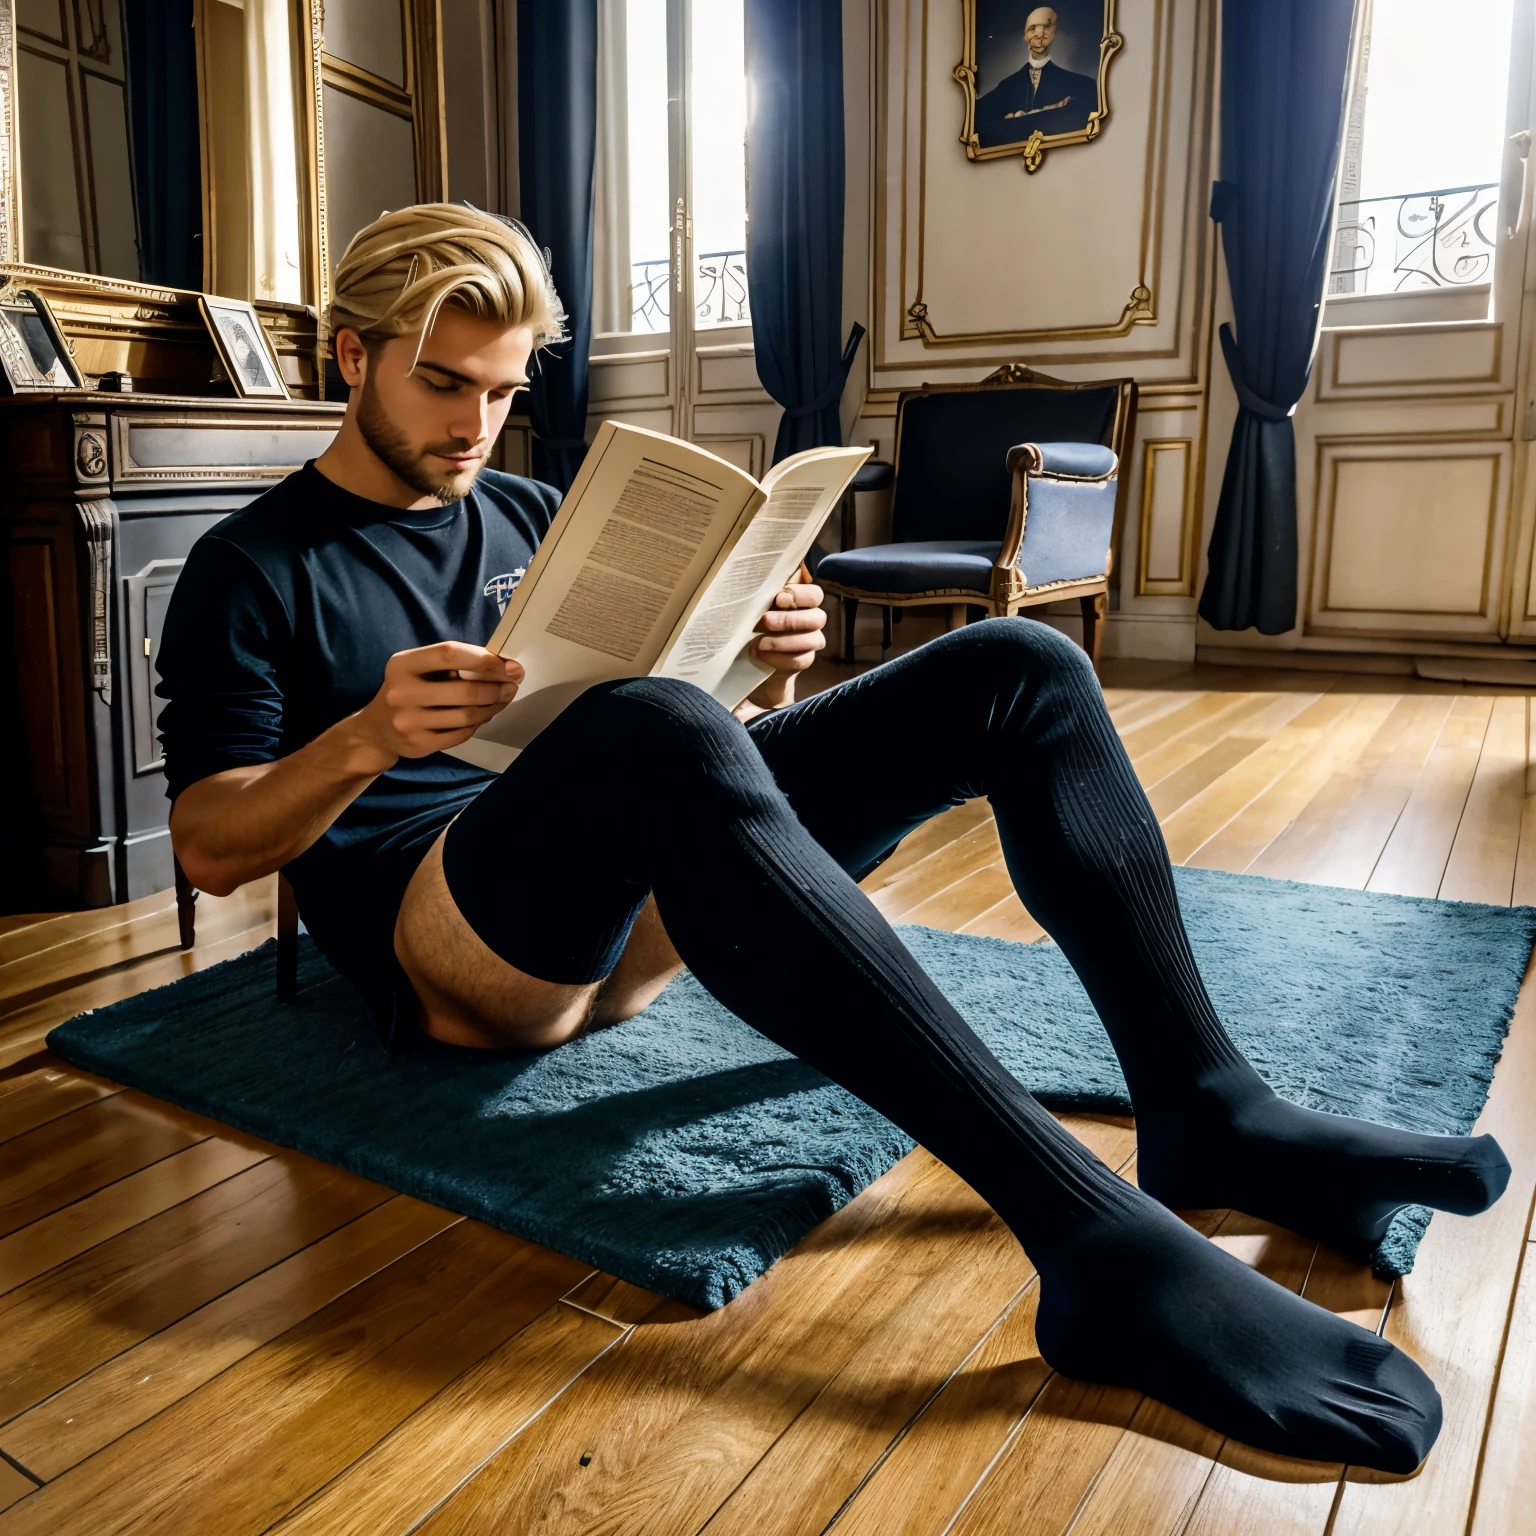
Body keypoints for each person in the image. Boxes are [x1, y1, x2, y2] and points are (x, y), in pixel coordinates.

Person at [157, 203, 1508, 1475]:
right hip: (457, 948)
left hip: (626, 890)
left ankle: (1210, 1111)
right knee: (655, 729)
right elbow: (212, 844)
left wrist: (766, 665)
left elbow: (653, 737)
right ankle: (1092, 1242)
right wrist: (361, 742)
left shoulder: (524, 511)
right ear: (351, 354)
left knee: (1016, 666)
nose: (479, 422)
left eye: (506, 390)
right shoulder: (254, 564)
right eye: (446, 383)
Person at [975, 6, 1100, 143]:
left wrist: (1016, 120)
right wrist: (1051, 111)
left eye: (1046, 27)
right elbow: (980, 122)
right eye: (1032, 28)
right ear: (1025, 36)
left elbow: (1080, 118)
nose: (1039, 35)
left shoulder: (1083, 85)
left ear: (1054, 32)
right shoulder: (1006, 86)